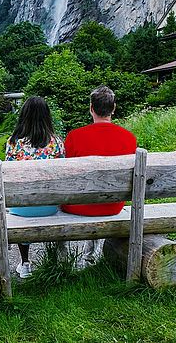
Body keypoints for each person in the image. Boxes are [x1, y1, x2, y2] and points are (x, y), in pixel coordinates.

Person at [60, 85, 137, 266]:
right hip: (113, 205)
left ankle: (61, 259)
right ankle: (91, 253)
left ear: (91, 108)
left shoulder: (74, 136)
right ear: (113, 108)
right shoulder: (129, 138)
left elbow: (67, 175)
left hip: (78, 206)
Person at [6, 96, 65, 278]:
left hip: (22, 208)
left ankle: (25, 263)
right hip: (50, 207)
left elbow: (7, 176)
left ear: (24, 116)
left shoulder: (14, 143)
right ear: (47, 117)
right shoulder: (56, 143)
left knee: (23, 202)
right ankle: (58, 260)